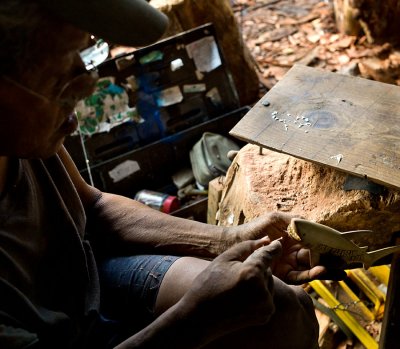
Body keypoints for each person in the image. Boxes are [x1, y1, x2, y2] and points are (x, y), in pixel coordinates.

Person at [0, 0, 341, 348]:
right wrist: (197, 319)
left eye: (83, 58)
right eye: (59, 81)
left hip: (85, 282)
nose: (87, 88)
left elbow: (94, 207)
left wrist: (227, 240)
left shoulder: (26, 133)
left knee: (284, 309)